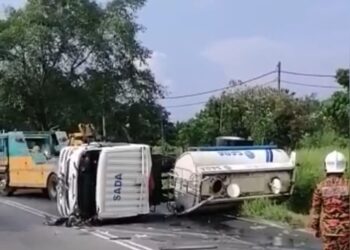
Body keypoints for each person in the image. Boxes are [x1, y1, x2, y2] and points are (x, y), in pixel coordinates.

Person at [309, 150, 350, 250]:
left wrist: (314, 228)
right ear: (344, 166)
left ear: (326, 166)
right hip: (346, 231)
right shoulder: (348, 185)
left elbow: (316, 210)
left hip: (328, 231)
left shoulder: (320, 186)